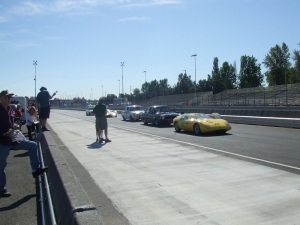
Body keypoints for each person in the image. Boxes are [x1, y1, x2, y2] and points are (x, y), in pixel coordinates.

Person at [0, 90, 48, 198]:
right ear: (1, 98)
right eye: (7, 97)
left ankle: (35, 170)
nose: (9, 99)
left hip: (12, 139)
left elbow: (16, 120)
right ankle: (1, 189)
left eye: (10, 98)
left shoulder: (10, 109)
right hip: (2, 142)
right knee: (1, 166)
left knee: (32, 145)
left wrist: (16, 125)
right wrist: (3, 133)